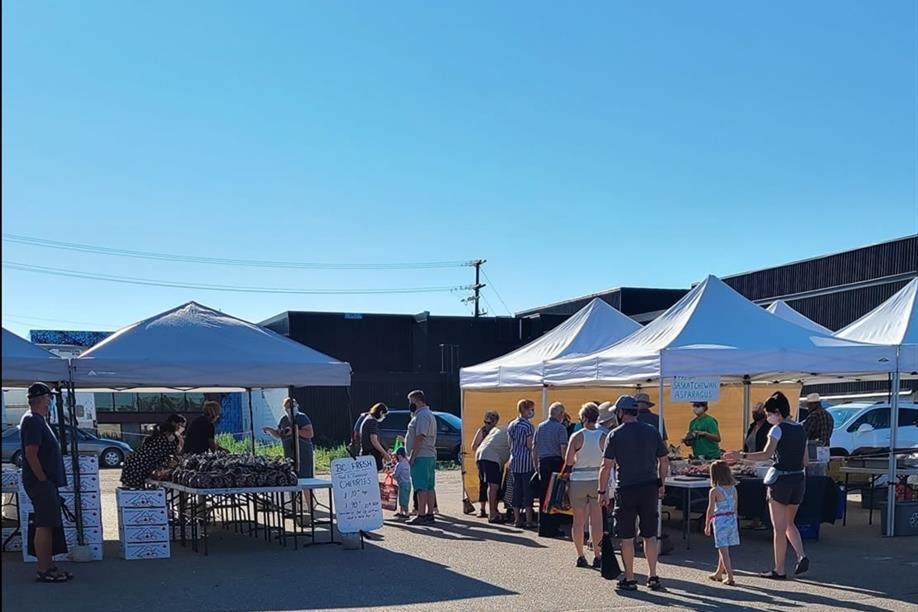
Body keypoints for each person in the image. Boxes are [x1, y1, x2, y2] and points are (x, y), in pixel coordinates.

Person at [727, 391, 810, 580]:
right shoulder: (800, 429)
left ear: (777, 412)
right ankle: (801, 555)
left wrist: (741, 456)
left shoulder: (777, 429)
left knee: (778, 529)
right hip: (799, 481)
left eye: (769, 413)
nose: (768, 417)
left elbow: (765, 455)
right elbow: (806, 461)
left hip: (780, 482)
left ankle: (779, 569)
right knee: (790, 523)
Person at [599, 395, 669, 592]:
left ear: (621, 413)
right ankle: (653, 575)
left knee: (627, 537)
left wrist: (602, 491)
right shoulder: (652, 431)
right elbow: (664, 460)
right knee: (650, 535)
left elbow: (606, 467)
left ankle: (630, 578)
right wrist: (661, 483)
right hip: (649, 487)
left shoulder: (615, 435)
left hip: (626, 488)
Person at [19, 383, 71, 583]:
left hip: (45, 482)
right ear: (43, 399)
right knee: (44, 524)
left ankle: (49, 565)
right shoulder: (32, 421)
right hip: (41, 483)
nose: (51, 401)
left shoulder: (38, 420)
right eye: (50, 398)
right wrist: (43, 480)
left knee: (50, 524)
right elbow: (31, 453)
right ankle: (43, 569)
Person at [564, 403, 607, 568]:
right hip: (596, 479)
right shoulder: (603, 437)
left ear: (584, 418)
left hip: (578, 479)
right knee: (597, 521)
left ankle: (580, 555)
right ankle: (597, 554)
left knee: (578, 521)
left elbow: (568, 461)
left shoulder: (576, 436)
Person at [121, 414, 186, 488]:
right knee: (135, 491)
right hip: (140, 465)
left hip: (132, 461)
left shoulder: (157, 433)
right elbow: (177, 454)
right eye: (181, 425)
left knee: (129, 491)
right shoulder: (171, 437)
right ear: (174, 423)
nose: (182, 428)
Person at [533, 402, 569, 536]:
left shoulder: (540, 427)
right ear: (560, 414)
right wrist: (567, 465)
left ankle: (542, 527)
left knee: (544, 496)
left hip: (543, 462)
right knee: (554, 496)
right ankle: (553, 528)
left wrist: (536, 465)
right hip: (556, 462)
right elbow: (563, 449)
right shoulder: (561, 429)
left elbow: (534, 448)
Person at [704, 460, 740, 586]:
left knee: (723, 550)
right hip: (731, 520)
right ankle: (719, 572)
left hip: (720, 520)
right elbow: (735, 507)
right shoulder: (734, 489)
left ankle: (730, 576)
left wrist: (707, 524)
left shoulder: (714, 491)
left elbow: (710, 510)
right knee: (724, 548)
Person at [405, 390, 438, 525]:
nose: (410, 405)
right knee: (429, 486)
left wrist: (412, 456)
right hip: (428, 455)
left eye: (411, 401)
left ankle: (422, 514)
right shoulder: (427, 414)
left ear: (417, 401)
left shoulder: (422, 416)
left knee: (421, 487)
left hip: (422, 455)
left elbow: (420, 437)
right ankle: (430, 514)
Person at [263, 397, 315, 478]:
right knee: (291, 477)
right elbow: (279, 434)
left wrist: (295, 431)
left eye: (293, 406)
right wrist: (270, 430)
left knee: (305, 477)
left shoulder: (302, 417)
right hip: (289, 454)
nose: (291, 409)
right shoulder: (284, 420)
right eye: (288, 407)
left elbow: (310, 433)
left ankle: (307, 491)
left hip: (303, 454)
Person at [473, 411, 509, 521]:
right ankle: (492, 514)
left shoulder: (499, 430)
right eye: (487, 420)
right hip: (491, 458)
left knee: (492, 485)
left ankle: (493, 511)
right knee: (493, 486)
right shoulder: (509, 432)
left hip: (482, 456)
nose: (488, 423)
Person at [506, 398, 537, 528]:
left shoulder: (511, 424)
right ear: (525, 410)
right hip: (526, 461)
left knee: (516, 491)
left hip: (514, 460)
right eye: (531, 409)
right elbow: (530, 445)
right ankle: (529, 520)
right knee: (527, 491)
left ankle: (517, 519)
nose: (532, 411)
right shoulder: (528, 426)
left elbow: (509, 443)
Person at [359, 402, 392, 471]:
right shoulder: (372, 421)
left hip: (365, 452)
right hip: (371, 453)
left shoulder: (367, 418)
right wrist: (385, 453)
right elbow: (374, 440)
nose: (384, 417)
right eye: (384, 415)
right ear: (381, 412)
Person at [392, 447, 412, 519]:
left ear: (399, 455)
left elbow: (396, 474)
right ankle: (401, 512)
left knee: (403, 499)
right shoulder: (407, 462)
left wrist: (392, 475)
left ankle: (406, 513)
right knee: (404, 498)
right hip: (408, 483)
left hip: (402, 484)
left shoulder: (399, 464)